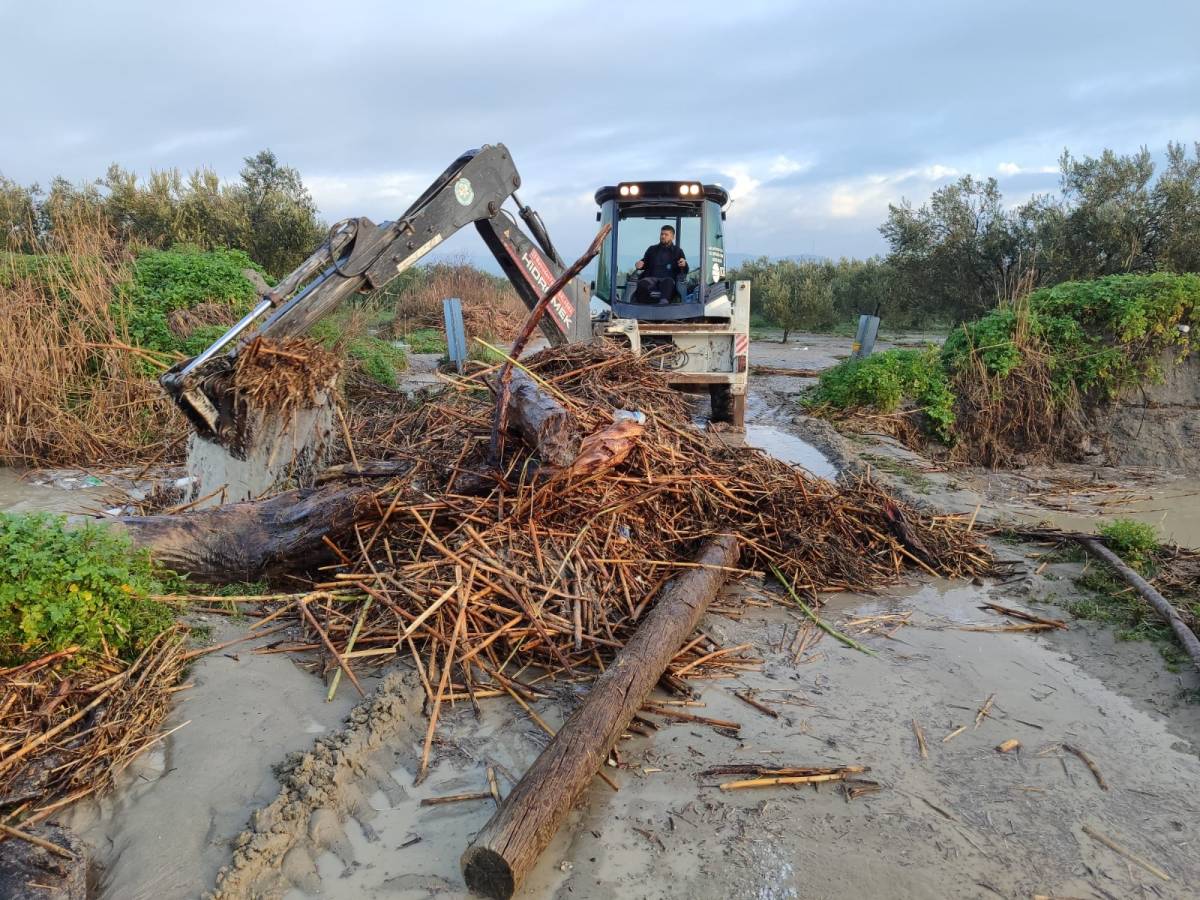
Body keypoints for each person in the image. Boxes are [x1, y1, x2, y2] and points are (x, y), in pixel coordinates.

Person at [634, 225, 688, 304]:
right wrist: (639, 264)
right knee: (642, 283)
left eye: (666, 235)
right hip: (651, 279)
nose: (663, 236)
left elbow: (684, 270)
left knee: (668, 283)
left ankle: (663, 304)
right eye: (662, 234)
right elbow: (644, 262)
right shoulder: (652, 249)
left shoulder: (678, 251)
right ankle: (643, 305)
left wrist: (684, 265)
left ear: (672, 237)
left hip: (668, 280)